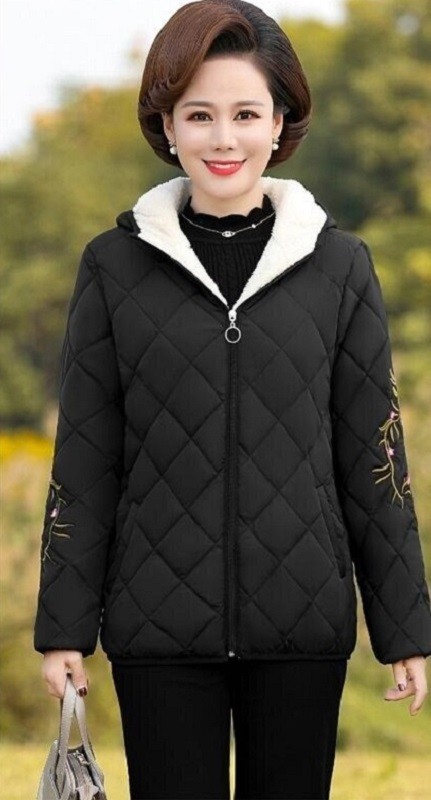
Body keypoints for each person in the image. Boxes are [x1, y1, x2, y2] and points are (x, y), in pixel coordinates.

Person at [33, 1, 431, 798]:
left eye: (245, 114)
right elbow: (85, 457)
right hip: (155, 630)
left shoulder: (339, 266)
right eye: (199, 115)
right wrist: (64, 628)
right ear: (166, 125)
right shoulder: (113, 266)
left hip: (302, 625)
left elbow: (375, 458)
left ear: (279, 123)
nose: (223, 138)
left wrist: (403, 629)